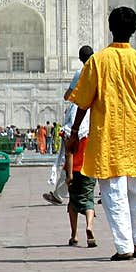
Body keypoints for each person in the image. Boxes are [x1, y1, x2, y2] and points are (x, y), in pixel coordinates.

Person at [67, 6, 136, 262]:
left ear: (110, 28)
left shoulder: (98, 61)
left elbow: (83, 103)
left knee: (113, 193)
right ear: (134, 30)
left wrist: (74, 132)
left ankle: (124, 247)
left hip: (108, 137)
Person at [44, 46, 95, 206]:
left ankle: (61, 193)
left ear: (80, 59)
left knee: (71, 157)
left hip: (79, 118)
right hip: (96, 117)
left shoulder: (81, 73)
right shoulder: (100, 71)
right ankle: (101, 194)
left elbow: (68, 95)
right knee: (94, 158)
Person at [63, 100, 96, 249]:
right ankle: (89, 226)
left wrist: (69, 175)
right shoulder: (92, 131)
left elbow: (69, 154)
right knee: (89, 200)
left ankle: (74, 235)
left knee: (73, 203)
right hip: (89, 170)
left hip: (74, 171)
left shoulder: (70, 132)